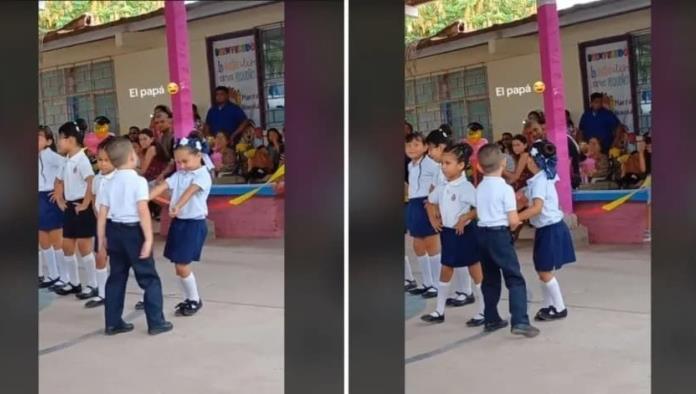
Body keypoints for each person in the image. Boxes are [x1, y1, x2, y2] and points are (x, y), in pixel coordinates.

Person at [97, 137, 172, 336]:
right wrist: (148, 239)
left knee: (116, 277)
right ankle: (156, 322)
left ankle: (112, 323)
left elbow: (102, 213)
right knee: (149, 279)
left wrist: (102, 240)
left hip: (114, 231)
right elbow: (143, 210)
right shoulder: (138, 181)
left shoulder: (107, 182)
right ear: (132, 157)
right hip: (133, 232)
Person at [475, 143, 539, 337]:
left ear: (479, 166)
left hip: (482, 234)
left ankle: (491, 318)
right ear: (503, 163)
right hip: (499, 234)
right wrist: (516, 221)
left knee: (490, 279)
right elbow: (512, 220)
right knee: (514, 278)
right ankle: (519, 320)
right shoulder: (505, 189)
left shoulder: (479, 188)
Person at [420, 143, 486, 326]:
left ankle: (484, 310)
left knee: (475, 270)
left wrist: (465, 217)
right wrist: (433, 219)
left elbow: (480, 208)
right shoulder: (442, 186)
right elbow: (429, 202)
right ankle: (439, 311)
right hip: (448, 233)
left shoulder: (466, 187)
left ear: (461, 165)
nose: (443, 167)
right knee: (446, 268)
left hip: (464, 233)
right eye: (442, 163)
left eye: (448, 163)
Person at [149, 136, 212, 316]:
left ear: (198, 155)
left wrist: (177, 205)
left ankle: (194, 299)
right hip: (180, 223)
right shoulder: (179, 174)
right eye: (178, 162)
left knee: (182, 264)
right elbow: (162, 187)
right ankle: (189, 298)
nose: (182, 166)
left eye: (185, 161)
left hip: (194, 224)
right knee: (178, 265)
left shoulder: (202, 175)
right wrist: (143, 198)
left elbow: (190, 192)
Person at [518, 141, 575, 321]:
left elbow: (537, 208)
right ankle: (547, 305)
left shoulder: (541, 181)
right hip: (547, 229)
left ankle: (559, 308)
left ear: (534, 161)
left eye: (528, 156)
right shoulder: (543, 177)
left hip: (550, 229)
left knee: (544, 270)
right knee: (543, 268)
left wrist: (516, 218)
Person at [424, 127, 474, 306]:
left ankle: (467, 291)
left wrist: (465, 217)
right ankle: (461, 291)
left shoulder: (455, 176)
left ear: (442, 147)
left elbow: (475, 204)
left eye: (432, 149)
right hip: (446, 219)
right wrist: (433, 210)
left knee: (464, 260)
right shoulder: (441, 169)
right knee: (454, 257)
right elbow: (433, 191)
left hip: (458, 223)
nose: (429, 153)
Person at [53, 122, 98, 299]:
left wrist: (86, 203)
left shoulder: (81, 159)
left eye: (60, 138)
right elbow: (59, 181)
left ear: (70, 140)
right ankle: (74, 282)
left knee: (84, 246)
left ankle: (93, 284)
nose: (58, 142)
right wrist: (59, 198)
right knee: (67, 246)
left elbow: (90, 181)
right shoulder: (66, 160)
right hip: (70, 206)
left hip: (81, 206)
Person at [405, 132, 441, 299]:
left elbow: (439, 183)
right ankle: (426, 282)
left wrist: (433, 205)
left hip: (426, 203)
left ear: (426, 147)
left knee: (431, 245)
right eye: (408, 145)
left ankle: (437, 284)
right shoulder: (410, 166)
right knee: (417, 245)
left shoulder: (431, 165)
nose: (411, 148)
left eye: (416, 145)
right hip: (413, 204)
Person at [85, 136, 116, 308]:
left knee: (126, 260)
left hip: (118, 223)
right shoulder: (97, 179)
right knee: (100, 256)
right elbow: (94, 200)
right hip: (102, 224)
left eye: (107, 160)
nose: (102, 164)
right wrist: (99, 220)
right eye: (99, 160)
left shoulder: (120, 178)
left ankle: (143, 295)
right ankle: (103, 293)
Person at [38, 126, 66, 289]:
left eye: (39, 137)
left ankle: (64, 275)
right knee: (43, 238)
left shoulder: (50, 156)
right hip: (38, 197)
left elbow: (65, 165)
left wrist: (58, 188)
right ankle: (53, 274)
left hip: (48, 196)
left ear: (48, 141)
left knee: (56, 238)